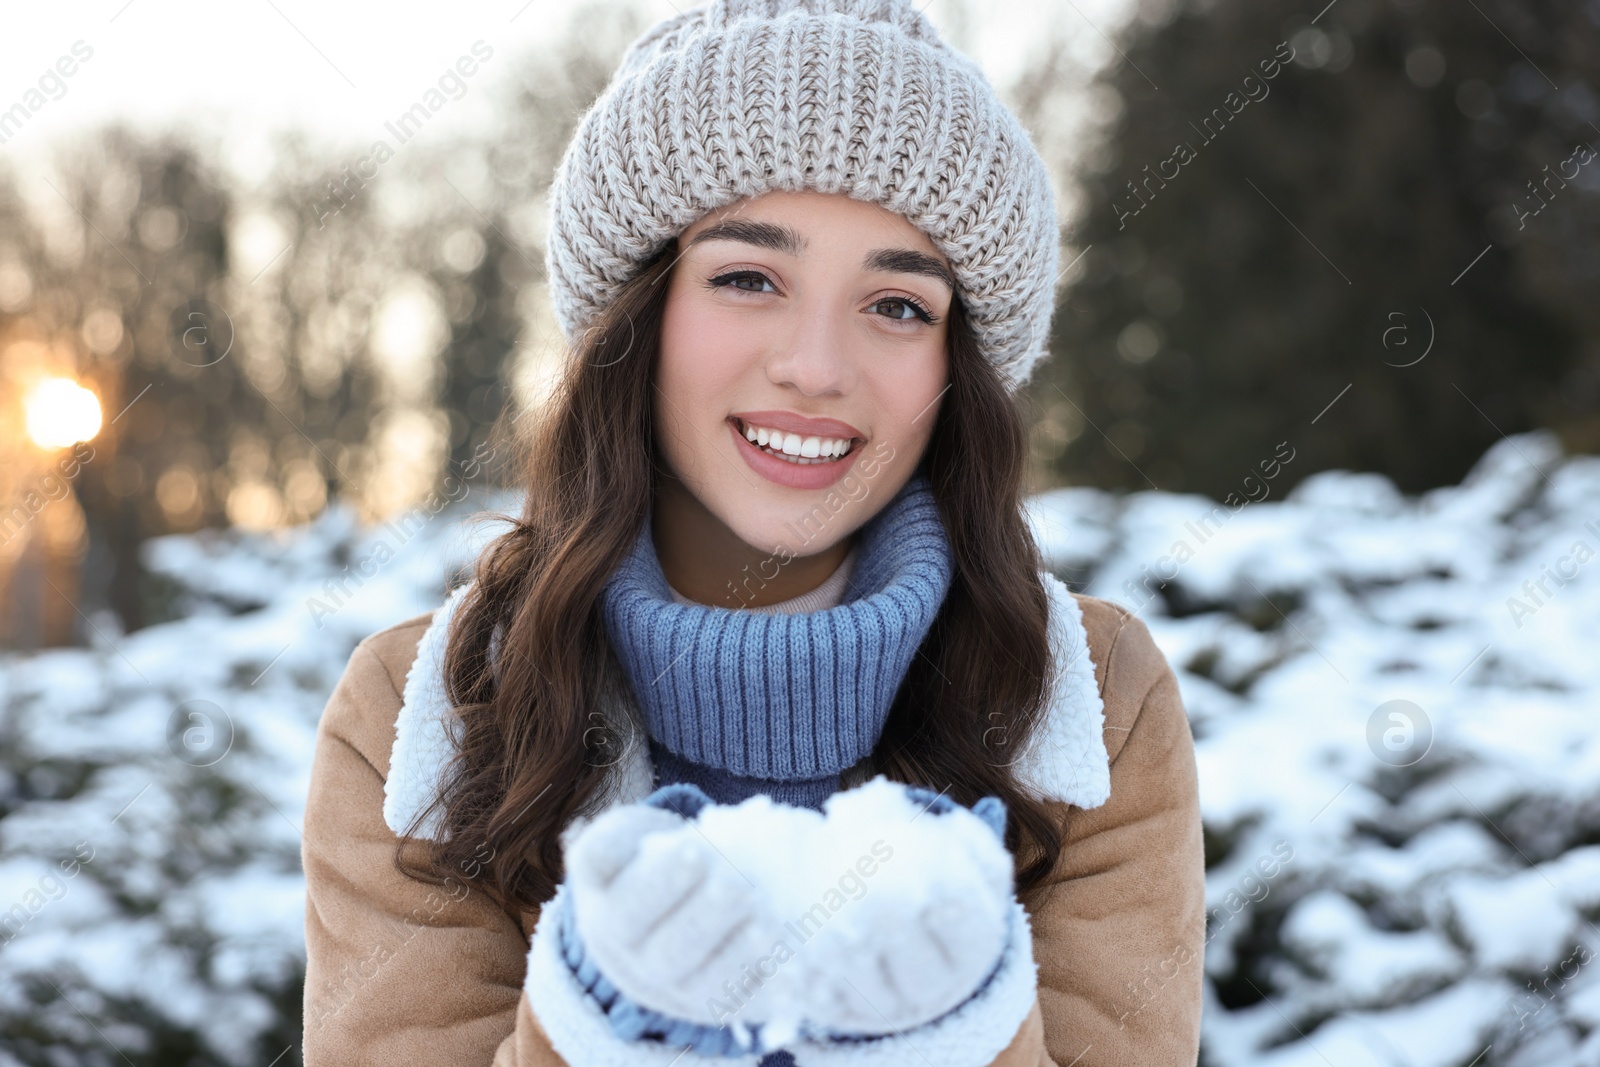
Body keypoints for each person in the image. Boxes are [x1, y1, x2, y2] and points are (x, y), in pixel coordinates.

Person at [300, 0, 1205, 1063]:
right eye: (746, 278)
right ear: (636, 321)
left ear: (955, 369)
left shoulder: (1088, 699)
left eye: (899, 304)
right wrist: (615, 1009)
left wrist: (943, 1020)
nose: (817, 365)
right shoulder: (427, 708)